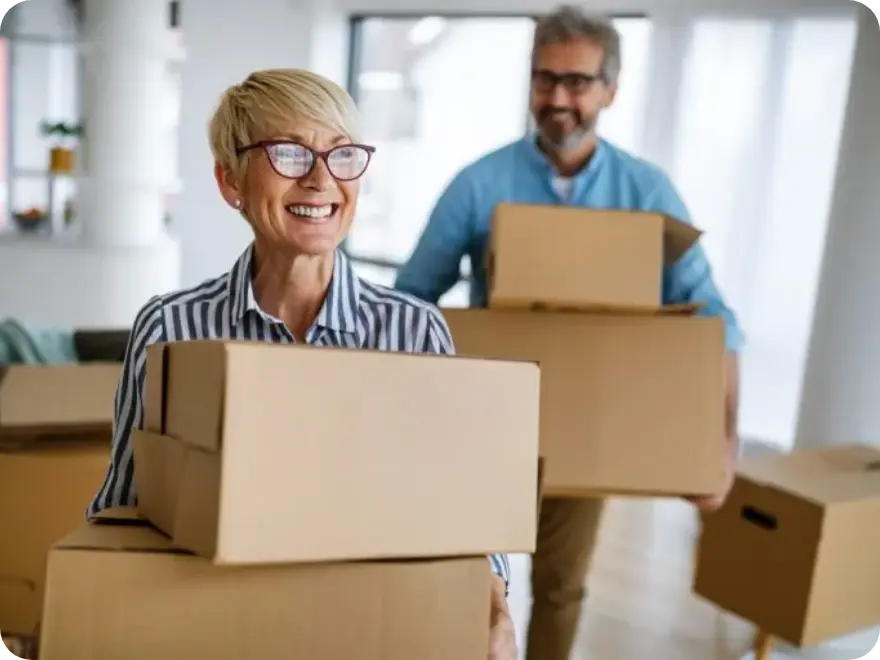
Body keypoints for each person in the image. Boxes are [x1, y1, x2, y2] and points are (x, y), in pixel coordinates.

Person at [86, 68, 517, 660]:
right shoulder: (169, 330)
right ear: (229, 179)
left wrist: (494, 606)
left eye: (343, 156)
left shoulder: (413, 331)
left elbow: (463, 510)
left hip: (372, 631)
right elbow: (123, 504)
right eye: (289, 154)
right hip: (215, 629)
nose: (321, 180)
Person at [395, 7, 743, 660]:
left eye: (577, 83)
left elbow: (716, 321)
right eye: (544, 79)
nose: (558, 98)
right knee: (465, 582)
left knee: (560, 588)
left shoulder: (644, 190)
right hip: (485, 423)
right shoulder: (480, 184)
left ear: (610, 89)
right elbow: (413, 300)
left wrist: (719, 451)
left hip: (588, 428)